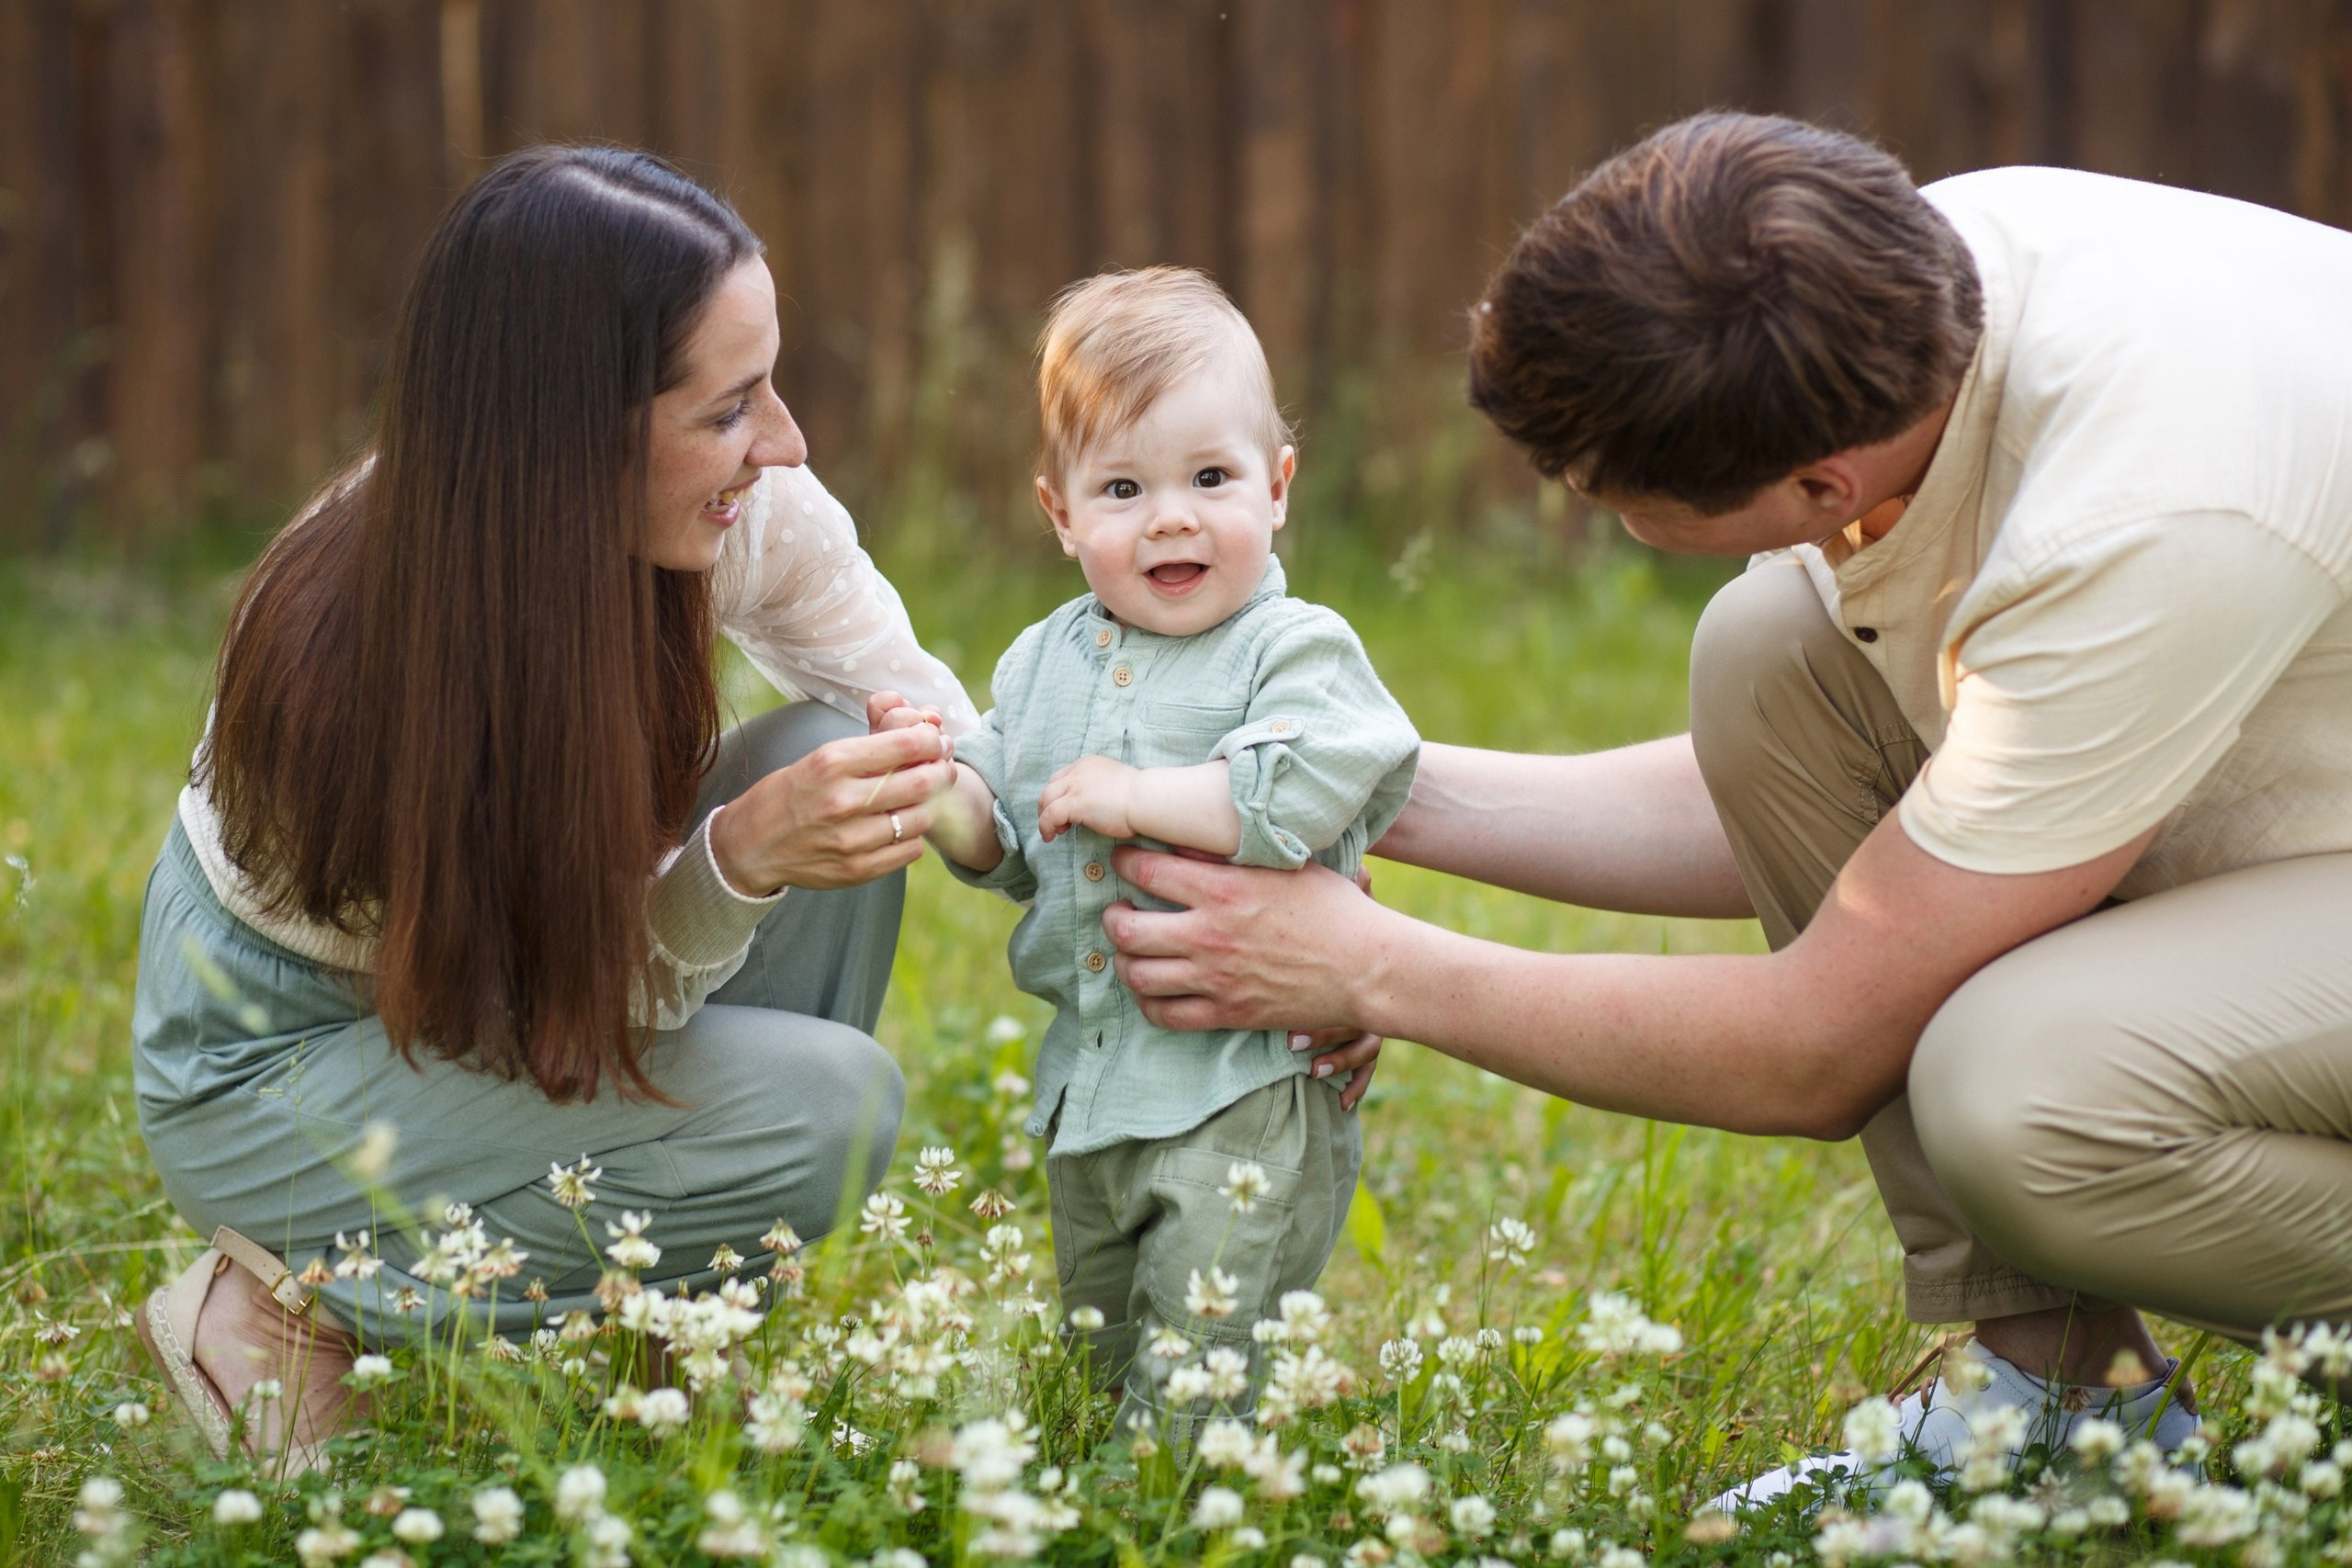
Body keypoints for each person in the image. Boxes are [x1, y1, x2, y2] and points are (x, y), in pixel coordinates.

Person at [1095, 113, 2352, 1498]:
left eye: (1607, 496)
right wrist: (1347, 791)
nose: (1581, 504)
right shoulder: (1906, 288)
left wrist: (1370, 967)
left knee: (2024, 1089)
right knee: (1773, 656)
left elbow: (1817, 1042)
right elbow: (1893, 817)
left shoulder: (2133, 523)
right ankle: (2061, 1409)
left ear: (1822, 484)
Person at [130, 146, 978, 1470]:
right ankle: (267, 1304)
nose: (787, 441)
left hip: (520, 982)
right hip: (280, 1058)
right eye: (730, 406)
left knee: (849, 743)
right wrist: (741, 856)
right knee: (831, 1107)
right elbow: (540, 1004)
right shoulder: (358, 667)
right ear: (572, 427)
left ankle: (682, 1334)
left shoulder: (743, 506)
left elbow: (943, 724)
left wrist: (1222, 850)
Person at [870, 268, 1417, 1440]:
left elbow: (1302, 789)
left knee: (1199, 1352)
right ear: (1060, 515)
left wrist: (1138, 794)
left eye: (1209, 478)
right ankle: (1096, 1475)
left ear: (1276, 489)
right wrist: (944, 794)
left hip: (1246, 1085)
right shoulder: (1040, 663)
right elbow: (1014, 840)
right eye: (1121, 487)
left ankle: (1166, 1506)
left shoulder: (1296, 649)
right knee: (1101, 1334)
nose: (1170, 515)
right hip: (1095, 1083)